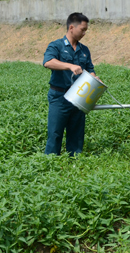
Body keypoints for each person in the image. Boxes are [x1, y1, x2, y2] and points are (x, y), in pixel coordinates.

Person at [43, 12, 97, 156]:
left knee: (76, 135)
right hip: (60, 96)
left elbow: (90, 69)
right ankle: (50, 164)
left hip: (79, 96)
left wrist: (94, 78)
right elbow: (48, 62)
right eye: (82, 30)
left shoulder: (84, 50)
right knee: (55, 133)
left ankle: (74, 165)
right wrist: (69, 66)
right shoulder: (56, 46)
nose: (84, 33)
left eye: (86, 30)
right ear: (71, 27)